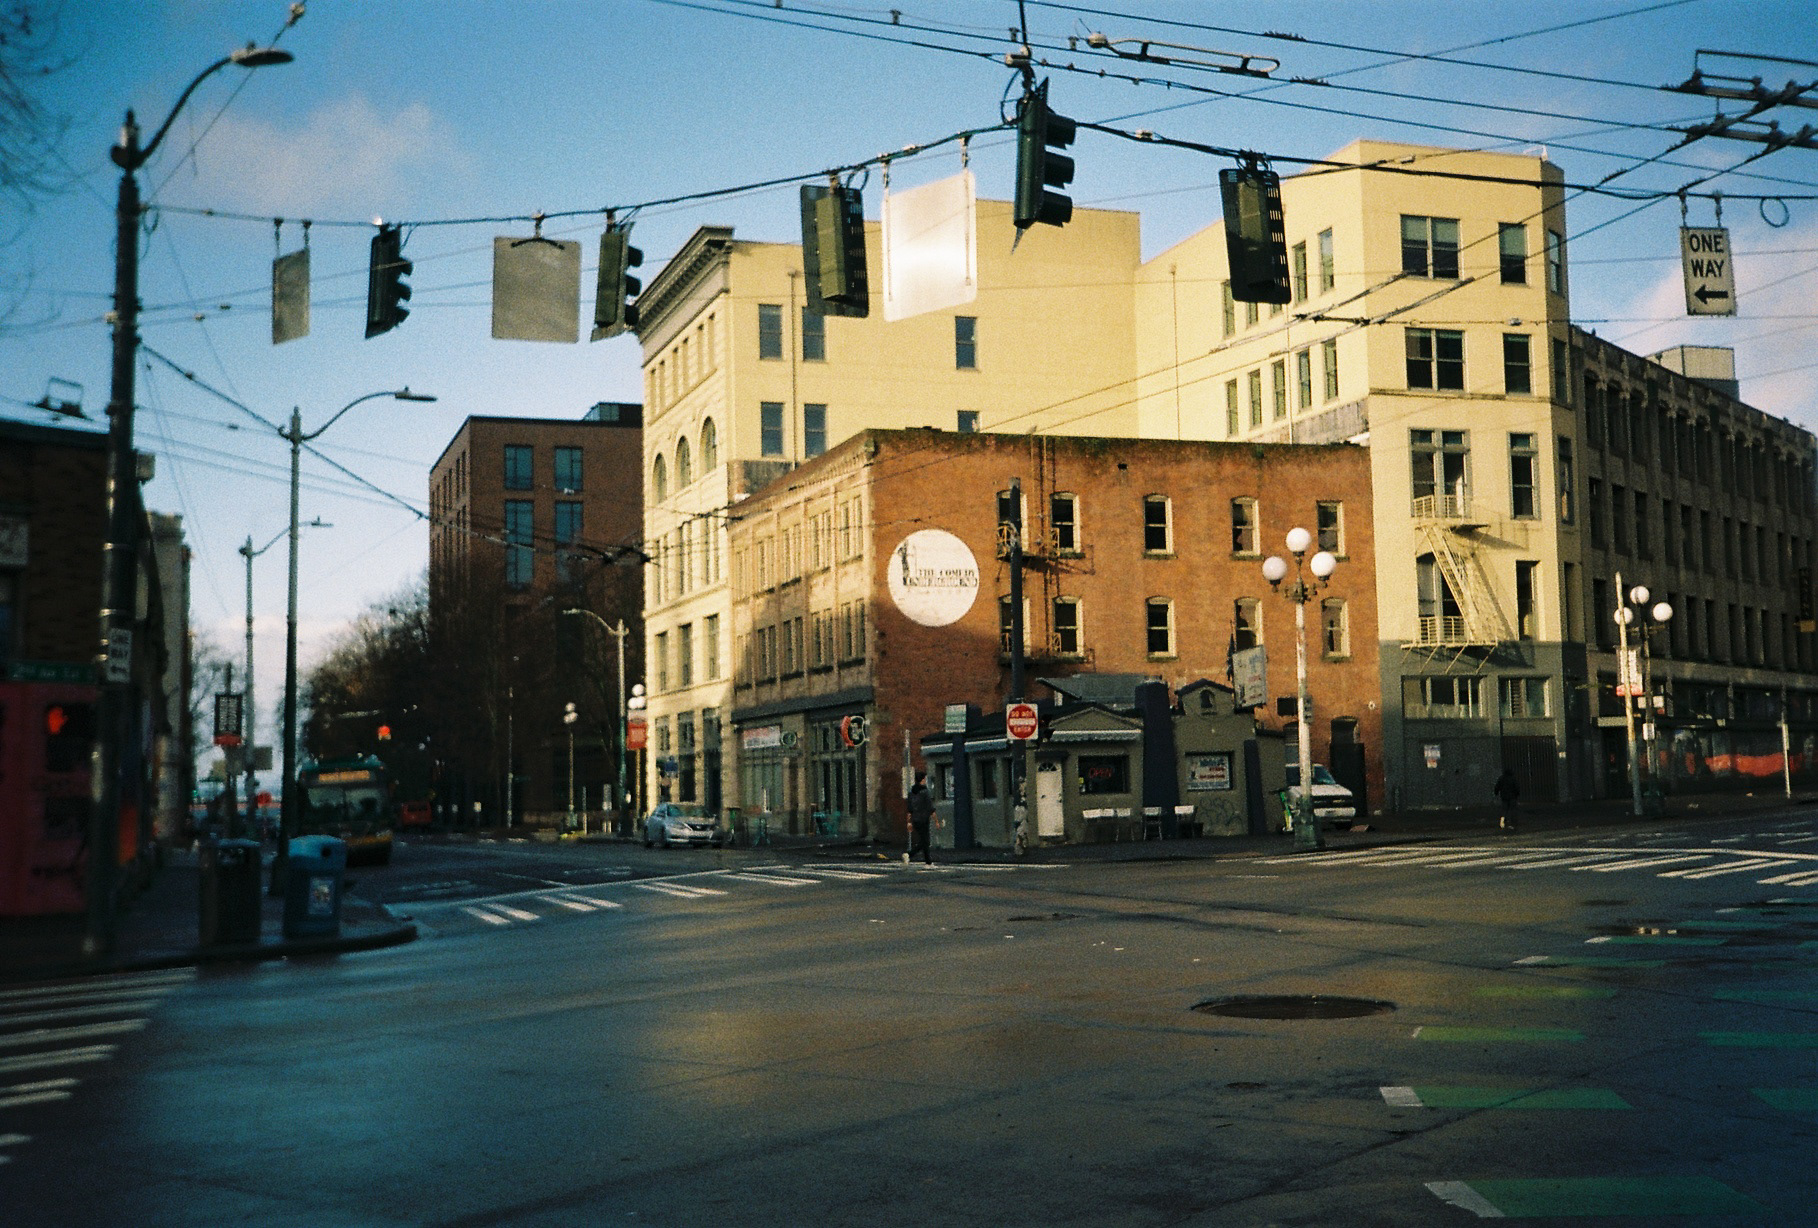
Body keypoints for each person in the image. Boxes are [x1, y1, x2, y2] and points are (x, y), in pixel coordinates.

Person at [906, 771, 935, 864]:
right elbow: (930, 807)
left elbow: (909, 809)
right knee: (925, 841)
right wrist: (936, 821)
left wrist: (909, 822)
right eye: (924, 779)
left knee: (924, 840)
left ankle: (928, 861)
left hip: (915, 820)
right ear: (922, 780)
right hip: (924, 819)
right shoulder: (925, 792)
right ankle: (909, 854)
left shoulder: (911, 792)